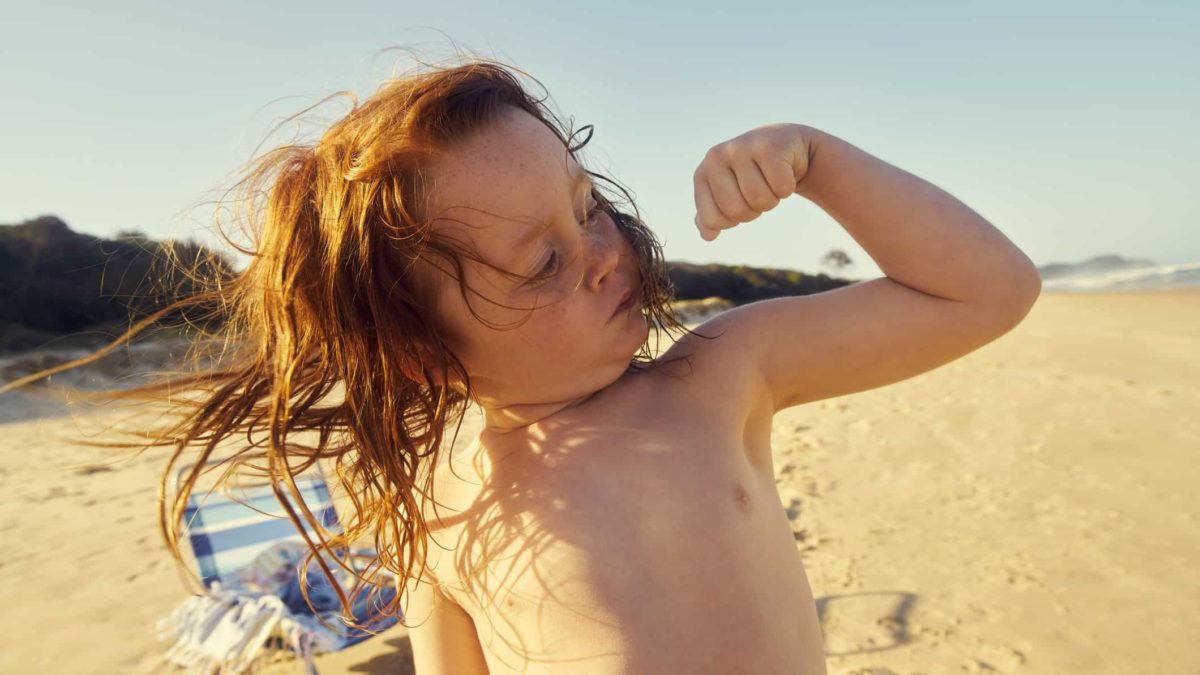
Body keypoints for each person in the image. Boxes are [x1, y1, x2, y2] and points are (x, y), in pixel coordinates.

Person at [2, 56, 1040, 674]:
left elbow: (987, 290)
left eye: (587, 206)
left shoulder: (723, 374)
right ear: (415, 353)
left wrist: (817, 158)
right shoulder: (441, 503)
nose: (603, 252)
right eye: (543, 260)